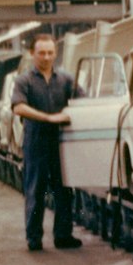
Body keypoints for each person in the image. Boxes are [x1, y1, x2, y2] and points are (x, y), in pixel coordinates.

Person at [9, 32, 82, 252]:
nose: (47, 57)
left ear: (56, 53)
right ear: (32, 53)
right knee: (35, 190)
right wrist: (49, 117)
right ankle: (34, 238)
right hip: (36, 140)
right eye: (41, 53)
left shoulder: (66, 79)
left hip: (62, 142)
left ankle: (63, 235)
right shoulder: (24, 80)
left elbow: (82, 102)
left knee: (64, 189)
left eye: (50, 52)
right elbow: (18, 107)